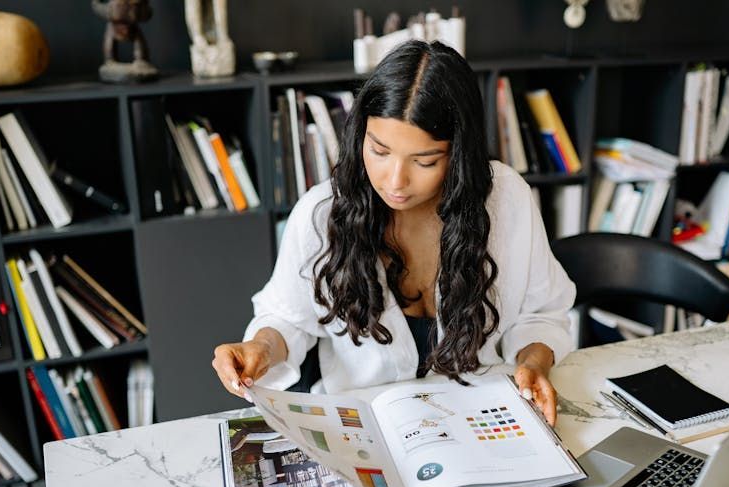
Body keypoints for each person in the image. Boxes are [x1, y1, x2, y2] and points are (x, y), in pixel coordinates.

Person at [212, 40, 575, 424]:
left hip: (474, 418)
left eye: (424, 160)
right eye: (380, 151)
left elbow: (542, 313)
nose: (395, 181)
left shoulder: (507, 200)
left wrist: (534, 362)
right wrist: (259, 348)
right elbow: (288, 320)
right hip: (361, 425)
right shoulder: (321, 214)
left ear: (460, 154)